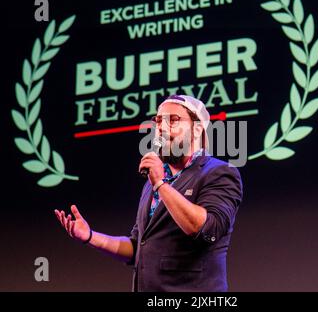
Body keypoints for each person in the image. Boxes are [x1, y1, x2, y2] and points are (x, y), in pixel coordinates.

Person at [54, 94, 243, 291]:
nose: (161, 127)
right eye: (158, 121)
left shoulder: (218, 172)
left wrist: (161, 184)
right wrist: (90, 236)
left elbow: (207, 229)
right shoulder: (154, 181)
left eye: (173, 120)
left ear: (196, 129)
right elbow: (138, 247)